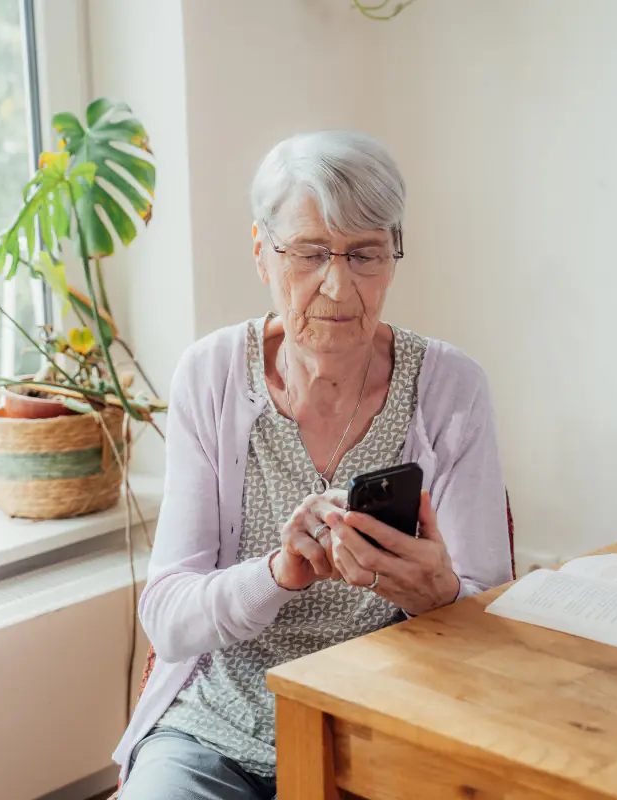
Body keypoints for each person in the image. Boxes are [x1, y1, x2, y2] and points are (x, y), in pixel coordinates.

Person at [114, 130, 512, 799]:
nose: (338, 284)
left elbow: (489, 618)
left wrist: (438, 596)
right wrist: (279, 573)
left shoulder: (450, 386)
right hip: (219, 729)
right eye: (309, 253)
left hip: (384, 728)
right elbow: (170, 618)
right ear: (262, 255)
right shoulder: (211, 375)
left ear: (394, 256)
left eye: (365, 254)